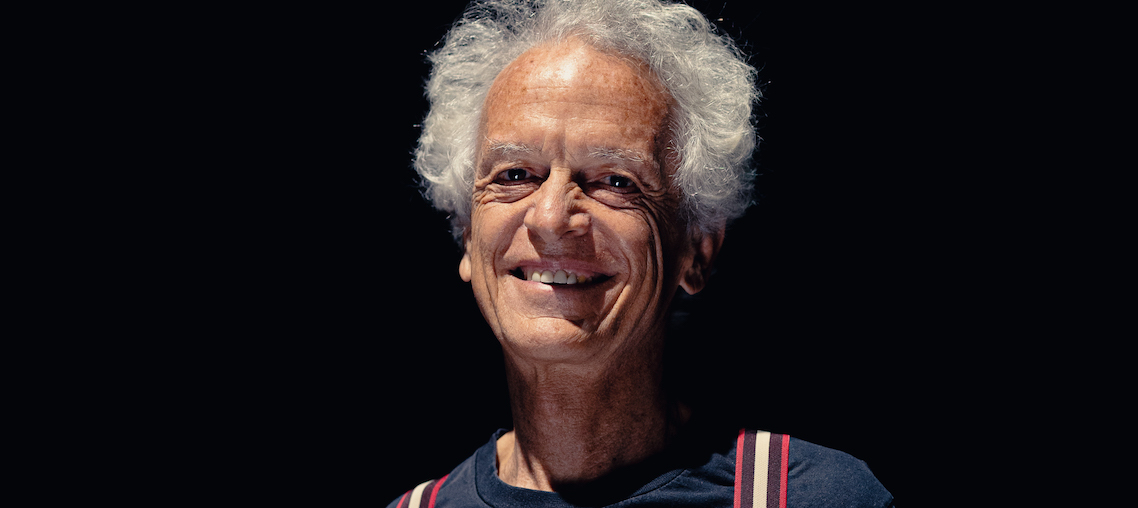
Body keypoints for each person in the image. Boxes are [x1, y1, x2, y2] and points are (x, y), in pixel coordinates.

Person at [389, 1, 894, 506]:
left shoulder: (809, 497)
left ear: (697, 248)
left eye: (615, 181)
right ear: (466, 233)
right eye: (515, 175)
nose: (551, 218)